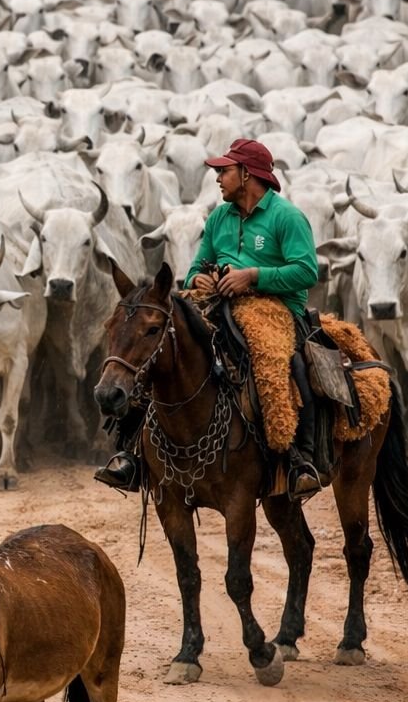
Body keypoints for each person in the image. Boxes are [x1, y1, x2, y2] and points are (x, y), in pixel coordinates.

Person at [95, 137, 321, 499]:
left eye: (224, 171)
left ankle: (299, 459)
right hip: (214, 302)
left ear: (247, 174)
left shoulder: (287, 217)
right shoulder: (219, 217)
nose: (217, 178)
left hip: (274, 309)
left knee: (283, 363)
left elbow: (307, 271)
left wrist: (253, 276)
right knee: (160, 346)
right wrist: (201, 276)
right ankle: (132, 451)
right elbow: (200, 264)